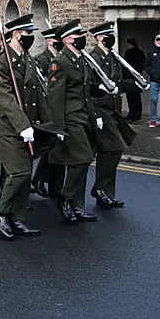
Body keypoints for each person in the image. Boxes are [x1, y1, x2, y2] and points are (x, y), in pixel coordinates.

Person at [0, 15, 52, 240]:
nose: (30, 38)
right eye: (27, 34)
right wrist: (22, 125)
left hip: (28, 124)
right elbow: (4, 97)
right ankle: (2, 213)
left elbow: (38, 95)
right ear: (17, 34)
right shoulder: (1, 61)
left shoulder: (28, 59)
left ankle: (17, 216)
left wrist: (50, 124)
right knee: (20, 172)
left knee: (25, 174)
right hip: (9, 125)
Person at [47, 19, 99, 224]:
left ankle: (78, 205)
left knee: (82, 162)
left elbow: (85, 90)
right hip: (70, 117)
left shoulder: (80, 58)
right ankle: (66, 199)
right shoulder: (60, 61)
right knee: (82, 158)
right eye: (78, 36)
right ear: (68, 39)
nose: (82, 39)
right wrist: (57, 126)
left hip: (84, 115)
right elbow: (55, 96)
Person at [88, 22, 133, 209]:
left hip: (112, 108)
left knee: (111, 151)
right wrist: (95, 114)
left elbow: (117, 82)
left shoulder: (112, 57)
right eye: (108, 35)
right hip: (100, 108)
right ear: (99, 37)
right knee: (114, 147)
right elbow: (88, 88)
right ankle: (99, 188)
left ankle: (106, 192)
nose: (111, 38)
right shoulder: (93, 58)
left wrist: (131, 85)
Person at [30, 27, 63, 198]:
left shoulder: (62, 58)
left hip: (62, 108)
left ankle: (55, 185)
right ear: (50, 41)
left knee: (61, 148)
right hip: (48, 109)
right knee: (53, 146)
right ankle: (41, 178)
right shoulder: (41, 60)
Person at [122, 38, 146, 121]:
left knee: (134, 97)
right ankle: (134, 113)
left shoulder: (135, 53)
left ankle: (135, 113)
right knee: (133, 97)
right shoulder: (132, 53)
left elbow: (142, 65)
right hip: (132, 77)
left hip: (134, 77)